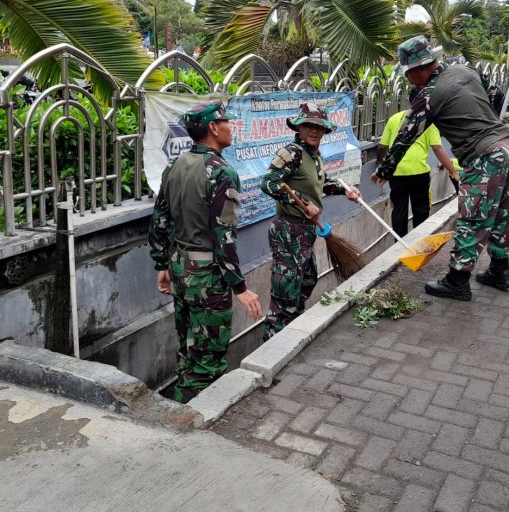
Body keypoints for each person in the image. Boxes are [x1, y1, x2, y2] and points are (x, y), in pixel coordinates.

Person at [372, 36, 509, 301]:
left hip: (484, 154)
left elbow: (407, 136)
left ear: (419, 69)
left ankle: (457, 280)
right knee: (502, 214)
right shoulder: (464, 70)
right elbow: (494, 92)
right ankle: (500, 270)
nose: (408, 79)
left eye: (407, 74)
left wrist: (384, 170)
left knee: (471, 218)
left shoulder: (427, 94)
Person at [149, 101, 263, 403]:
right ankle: (197, 421)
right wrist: (239, 286)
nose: (231, 127)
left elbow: (160, 220)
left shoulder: (175, 166)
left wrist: (162, 263)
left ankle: (178, 406)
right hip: (207, 277)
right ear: (213, 128)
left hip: (179, 269)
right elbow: (223, 235)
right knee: (208, 356)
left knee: (188, 347)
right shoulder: (222, 171)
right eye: (226, 122)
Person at [260, 104, 361, 339]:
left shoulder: (314, 156)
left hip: (306, 231)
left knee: (307, 280)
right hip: (288, 230)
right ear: (299, 127)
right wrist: (303, 201)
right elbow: (268, 182)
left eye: (319, 127)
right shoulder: (291, 152)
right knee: (285, 291)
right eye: (309, 125)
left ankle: (292, 332)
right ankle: (273, 343)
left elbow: (321, 183)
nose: (314, 131)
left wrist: (345, 189)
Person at [378, 108, 459, 237]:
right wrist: (454, 172)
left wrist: (382, 166)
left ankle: (399, 246)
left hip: (397, 172)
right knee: (421, 210)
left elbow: (383, 146)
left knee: (399, 211)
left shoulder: (394, 118)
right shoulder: (428, 122)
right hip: (419, 173)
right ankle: (418, 244)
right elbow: (438, 148)